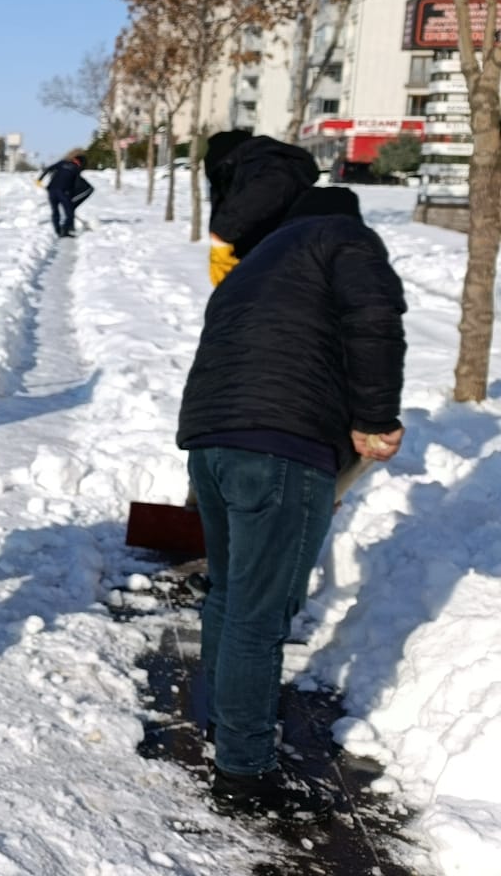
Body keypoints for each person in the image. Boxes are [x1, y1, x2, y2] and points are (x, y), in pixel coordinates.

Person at [177, 186, 406, 822]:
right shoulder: (345, 239)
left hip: (212, 442)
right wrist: (375, 418)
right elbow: (374, 321)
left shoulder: (254, 265)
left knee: (230, 594)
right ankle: (244, 771)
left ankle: (227, 722)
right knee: (259, 616)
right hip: (282, 447)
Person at [205, 134, 318, 286]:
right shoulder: (255, 164)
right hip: (272, 266)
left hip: (285, 272)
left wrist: (222, 232)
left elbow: (275, 184)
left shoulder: (265, 163)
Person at [35, 153, 90, 237]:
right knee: (69, 213)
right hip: (63, 192)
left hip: (51, 190)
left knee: (55, 211)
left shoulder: (62, 163)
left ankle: (58, 231)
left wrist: (39, 180)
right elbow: (76, 184)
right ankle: (65, 231)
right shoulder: (76, 169)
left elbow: (48, 169)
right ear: (80, 162)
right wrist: (71, 196)